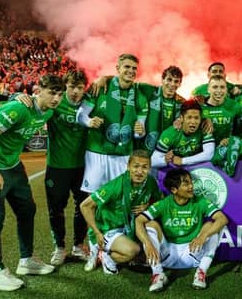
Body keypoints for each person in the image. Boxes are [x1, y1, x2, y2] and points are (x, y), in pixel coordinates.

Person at [0, 74, 63, 291]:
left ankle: (26, 261)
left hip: (14, 166)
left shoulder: (49, 112)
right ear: (38, 90)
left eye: (60, 94)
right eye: (52, 92)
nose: (56, 98)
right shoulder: (19, 109)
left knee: (27, 210)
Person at [135, 168, 229, 292]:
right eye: (186, 184)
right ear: (174, 190)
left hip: (193, 253)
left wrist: (203, 236)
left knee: (213, 225)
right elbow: (139, 221)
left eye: (191, 182)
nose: (191, 186)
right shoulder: (164, 204)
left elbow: (223, 219)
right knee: (150, 224)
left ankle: (201, 273)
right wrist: (148, 243)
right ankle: (158, 274)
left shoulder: (200, 201)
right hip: (166, 255)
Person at [80, 150, 162, 274]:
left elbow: (160, 202)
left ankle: (122, 249)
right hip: (109, 228)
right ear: (128, 166)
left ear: (150, 168)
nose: (140, 171)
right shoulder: (115, 186)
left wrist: (148, 206)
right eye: (136, 166)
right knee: (133, 250)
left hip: (130, 226)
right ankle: (106, 256)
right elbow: (85, 206)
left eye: (145, 167)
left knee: (148, 242)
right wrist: (97, 232)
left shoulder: (150, 182)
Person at [77, 53, 149, 193]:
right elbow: (80, 115)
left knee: (119, 197)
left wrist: (140, 132)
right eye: (127, 67)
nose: (131, 71)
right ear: (118, 68)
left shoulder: (140, 97)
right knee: (91, 197)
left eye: (134, 68)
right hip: (97, 152)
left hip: (123, 156)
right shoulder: (100, 88)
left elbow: (139, 132)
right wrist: (89, 121)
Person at [45, 70, 91, 265]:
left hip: (83, 166)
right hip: (57, 165)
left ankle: (79, 245)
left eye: (79, 88)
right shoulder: (55, 102)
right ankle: (60, 248)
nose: (75, 92)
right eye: (71, 87)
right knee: (56, 208)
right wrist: (21, 96)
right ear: (65, 87)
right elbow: (37, 101)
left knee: (82, 206)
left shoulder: (90, 102)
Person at [151, 100, 215, 172]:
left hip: (196, 168)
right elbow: (153, 161)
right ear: (181, 118)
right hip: (175, 171)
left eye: (196, 118)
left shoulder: (204, 127)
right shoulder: (170, 134)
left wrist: (182, 161)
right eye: (189, 117)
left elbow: (209, 154)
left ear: (201, 119)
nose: (193, 122)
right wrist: (164, 160)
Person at [201, 76, 242, 145]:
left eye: (222, 87)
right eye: (215, 87)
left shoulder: (234, 105)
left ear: (226, 89)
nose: (219, 91)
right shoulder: (200, 106)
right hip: (204, 148)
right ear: (208, 89)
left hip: (226, 148)